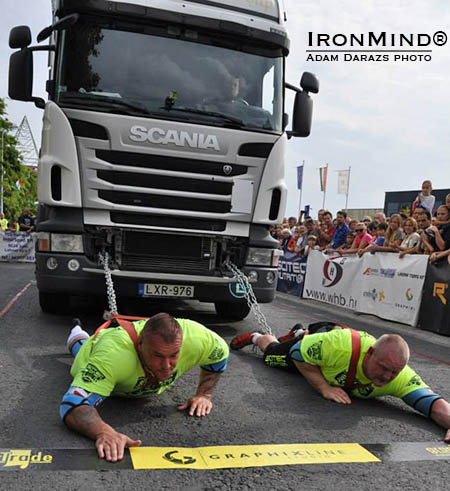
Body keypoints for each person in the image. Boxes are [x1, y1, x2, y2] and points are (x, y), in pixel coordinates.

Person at [230, 324, 450, 443]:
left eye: (394, 372)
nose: (386, 377)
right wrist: (323, 387)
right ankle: (258, 336)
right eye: (383, 368)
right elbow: (298, 354)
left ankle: (299, 331)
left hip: (323, 346)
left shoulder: (398, 375)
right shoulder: (341, 347)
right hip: (324, 338)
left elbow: (433, 404)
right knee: (272, 356)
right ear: (370, 353)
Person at [61, 313, 229, 462]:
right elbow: (72, 404)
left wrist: (204, 395)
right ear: (140, 345)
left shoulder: (197, 339)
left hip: (118, 361)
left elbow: (220, 355)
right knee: (82, 348)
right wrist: (104, 432)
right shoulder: (112, 356)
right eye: (157, 355)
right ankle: (77, 336)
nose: (166, 366)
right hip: (99, 353)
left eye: (174, 355)